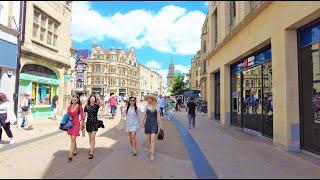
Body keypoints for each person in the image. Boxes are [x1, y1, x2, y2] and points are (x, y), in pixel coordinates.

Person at [141, 95, 162, 161]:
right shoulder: (146, 107)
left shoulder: (156, 107)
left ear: (152, 99)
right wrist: (142, 122)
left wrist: (160, 126)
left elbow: (158, 117)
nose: (148, 100)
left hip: (154, 124)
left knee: (152, 139)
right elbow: (144, 115)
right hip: (147, 124)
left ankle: (152, 154)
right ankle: (151, 147)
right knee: (149, 139)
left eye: (150, 99)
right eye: (148, 99)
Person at [84, 94, 104, 159]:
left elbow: (102, 103)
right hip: (88, 123)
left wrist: (98, 97)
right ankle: (91, 147)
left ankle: (91, 152)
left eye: (93, 99)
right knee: (90, 137)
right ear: (89, 99)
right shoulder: (86, 106)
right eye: (91, 99)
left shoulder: (96, 106)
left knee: (93, 137)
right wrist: (82, 123)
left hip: (95, 122)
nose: (92, 100)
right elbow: (84, 116)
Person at [66, 94, 84, 162]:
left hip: (76, 124)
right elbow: (67, 114)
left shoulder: (79, 107)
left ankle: (70, 155)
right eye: (73, 97)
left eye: (76, 98)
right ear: (71, 99)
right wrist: (68, 117)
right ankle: (75, 149)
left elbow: (82, 116)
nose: (74, 99)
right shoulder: (69, 106)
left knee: (73, 139)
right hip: (70, 124)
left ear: (78, 99)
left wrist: (82, 124)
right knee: (72, 139)